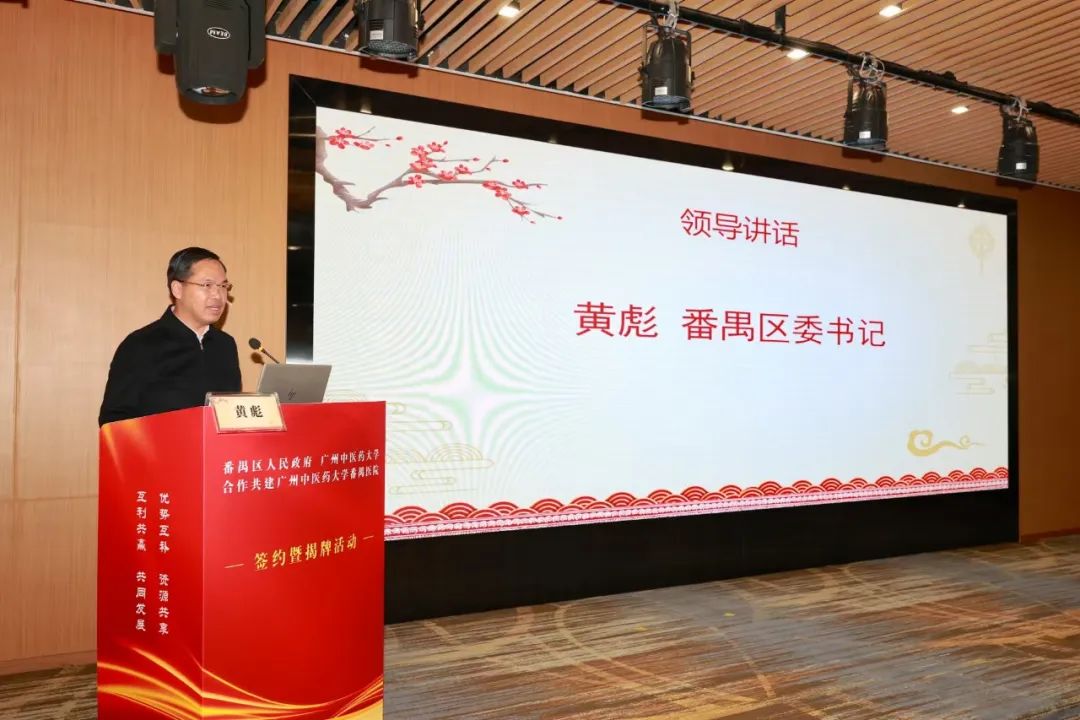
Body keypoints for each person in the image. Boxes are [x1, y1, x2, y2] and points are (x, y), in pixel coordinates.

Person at [98, 247, 242, 426]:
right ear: (177, 289)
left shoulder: (225, 345)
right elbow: (113, 421)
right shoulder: (141, 345)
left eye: (223, 286)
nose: (218, 295)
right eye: (207, 285)